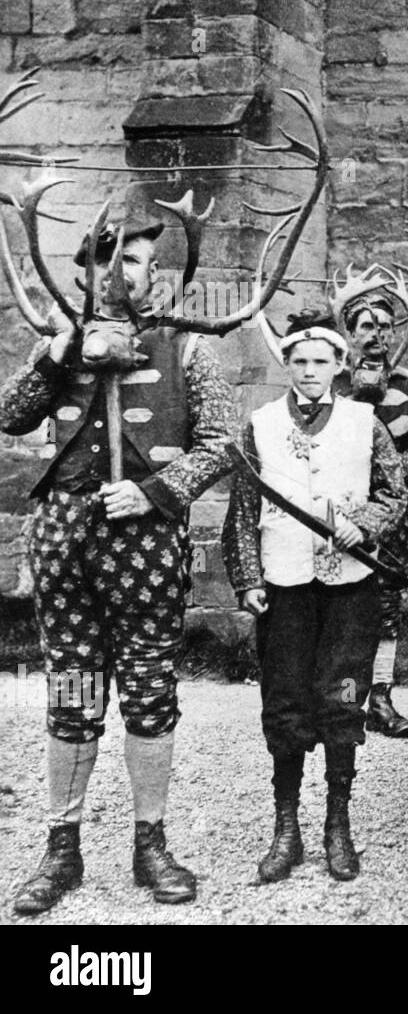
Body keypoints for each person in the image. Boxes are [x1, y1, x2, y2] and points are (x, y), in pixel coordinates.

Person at [3, 217, 235, 915]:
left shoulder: (187, 346)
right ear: (85, 274)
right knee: (72, 691)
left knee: (147, 690)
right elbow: (9, 415)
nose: (124, 273)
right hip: (65, 542)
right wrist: (55, 355)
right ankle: (62, 848)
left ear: (151, 274)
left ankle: (151, 843)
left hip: (141, 546)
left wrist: (156, 492)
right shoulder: (60, 342)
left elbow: (222, 444)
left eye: (136, 261)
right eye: (110, 261)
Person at [222, 307, 405, 883]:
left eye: (320, 361)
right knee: (285, 701)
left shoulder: (362, 421)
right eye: (298, 361)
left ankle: (337, 825)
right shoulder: (261, 424)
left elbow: (395, 490)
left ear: (339, 365)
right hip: (284, 585)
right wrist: (249, 579)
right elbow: (243, 509)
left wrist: (367, 522)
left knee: (342, 698)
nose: (308, 371)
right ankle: (287, 829)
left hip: (349, 586)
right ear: (286, 365)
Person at [335, 286, 408, 738]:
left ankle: (380, 698)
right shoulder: (331, 386)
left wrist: (389, 469)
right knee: (342, 608)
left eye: (385, 326)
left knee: (386, 609)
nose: (377, 335)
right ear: (349, 334)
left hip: (393, 521)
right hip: (338, 522)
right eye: (366, 327)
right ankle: (342, 701)